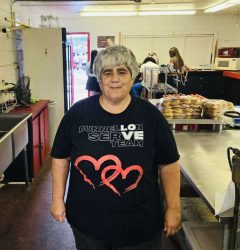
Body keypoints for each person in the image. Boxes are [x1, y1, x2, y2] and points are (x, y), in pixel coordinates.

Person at [50, 45, 181, 250]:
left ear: (132, 76)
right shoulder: (78, 114)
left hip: (140, 225)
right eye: (107, 73)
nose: (115, 79)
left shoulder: (150, 116)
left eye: (122, 71)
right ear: (99, 78)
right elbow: (60, 158)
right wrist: (57, 199)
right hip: (88, 223)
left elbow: (169, 164)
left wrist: (174, 207)